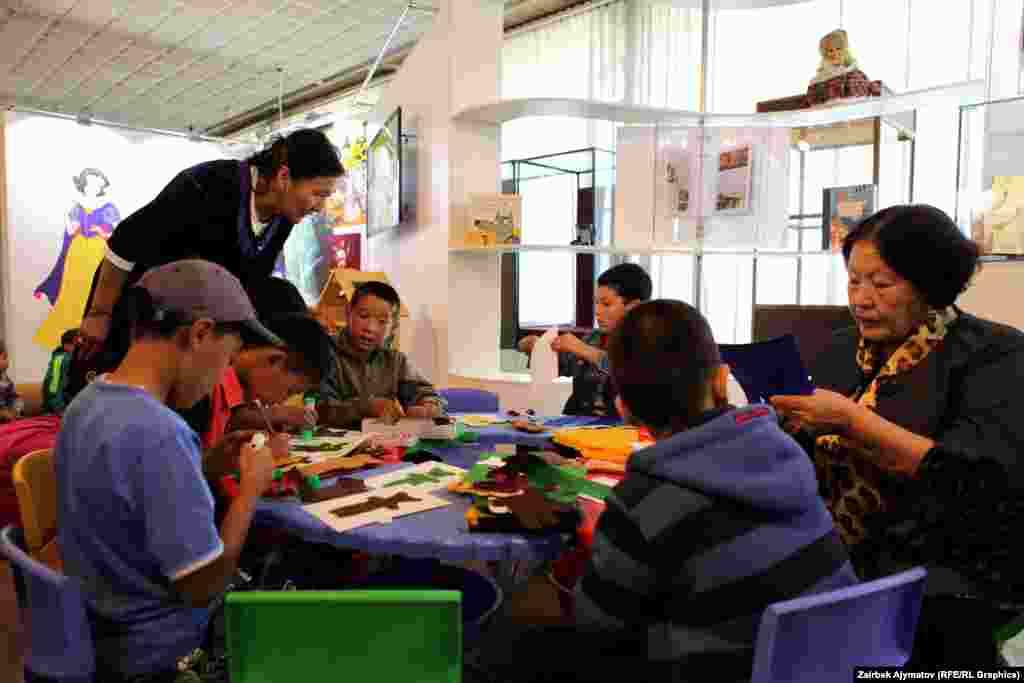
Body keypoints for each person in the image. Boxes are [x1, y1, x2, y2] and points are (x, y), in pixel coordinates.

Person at [466, 300, 856, 682]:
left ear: (623, 408)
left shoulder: (642, 503)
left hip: (722, 669)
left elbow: (597, 631)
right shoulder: (789, 454)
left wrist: (590, 548)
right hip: (832, 662)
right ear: (721, 380)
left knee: (509, 637)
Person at [770, 204, 1024, 667]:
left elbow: (975, 481)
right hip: (833, 564)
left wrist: (853, 422)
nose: (861, 299)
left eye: (881, 284)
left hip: (941, 584)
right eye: (853, 281)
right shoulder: (837, 350)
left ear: (931, 286)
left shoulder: (996, 355)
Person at [55, 260, 280, 682]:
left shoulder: (86, 404)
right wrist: (251, 488)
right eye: (226, 360)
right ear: (200, 334)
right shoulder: (160, 432)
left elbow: (126, 495)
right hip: (162, 651)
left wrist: (204, 467)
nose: (219, 378)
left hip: (99, 628)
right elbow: (205, 585)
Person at [76, 129, 344, 362]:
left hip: (186, 328)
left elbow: (245, 284)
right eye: (318, 194)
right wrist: (100, 313)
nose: (320, 207)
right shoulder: (206, 185)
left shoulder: (282, 217)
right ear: (284, 176)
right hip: (133, 314)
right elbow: (124, 244)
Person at [518, 263, 652, 417]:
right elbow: (564, 365)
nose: (597, 311)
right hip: (578, 421)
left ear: (633, 306)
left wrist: (584, 350)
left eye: (606, 304)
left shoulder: (650, 341)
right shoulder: (594, 337)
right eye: (596, 303)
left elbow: (631, 371)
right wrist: (539, 348)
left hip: (620, 427)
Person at [320, 281, 445, 428]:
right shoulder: (325, 352)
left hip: (381, 439)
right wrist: (366, 407)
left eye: (382, 322)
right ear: (348, 313)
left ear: (393, 328)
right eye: (363, 316)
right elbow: (321, 409)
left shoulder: (395, 361)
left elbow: (423, 392)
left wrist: (428, 405)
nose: (370, 328)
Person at [202, 313, 334, 449]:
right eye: (289, 392)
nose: (280, 401)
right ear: (275, 360)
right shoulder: (207, 385)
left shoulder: (237, 385)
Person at [34, 168, 121, 351]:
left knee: (94, 288)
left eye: (97, 183)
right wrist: (80, 224)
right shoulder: (76, 207)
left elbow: (114, 233)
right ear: (83, 184)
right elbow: (71, 229)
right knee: (73, 289)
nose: (93, 187)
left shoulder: (109, 207)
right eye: (90, 183)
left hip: (97, 252)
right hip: (77, 252)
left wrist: (99, 230)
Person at [41, 328, 80, 415]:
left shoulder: (77, 359)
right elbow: (53, 387)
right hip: (57, 410)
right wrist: (60, 410)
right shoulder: (61, 360)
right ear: (66, 345)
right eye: (77, 344)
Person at [0, 340, 23, 424]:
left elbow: (12, 395)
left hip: (9, 417)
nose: (7, 361)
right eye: (4, 357)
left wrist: (16, 407)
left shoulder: (5, 378)